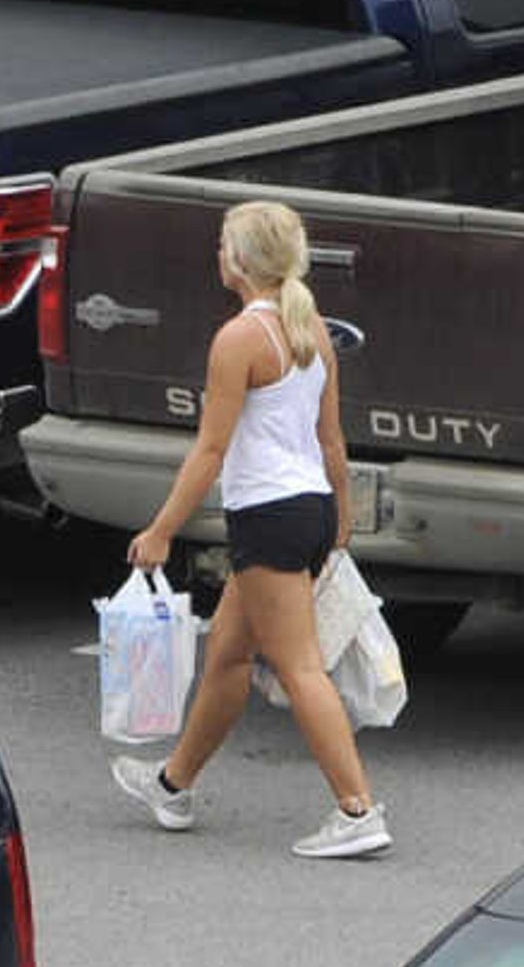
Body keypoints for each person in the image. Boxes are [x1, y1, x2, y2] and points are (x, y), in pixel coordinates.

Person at [108, 199, 389, 860]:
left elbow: (210, 450)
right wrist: (340, 521)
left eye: (221, 244)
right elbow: (331, 439)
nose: (216, 254)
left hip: (266, 515)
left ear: (241, 261)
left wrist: (161, 531)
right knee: (230, 654)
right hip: (310, 510)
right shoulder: (312, 330)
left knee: (298, 667)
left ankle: (357, 811)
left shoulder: (238, 340)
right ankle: (172, 785)